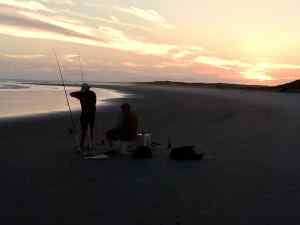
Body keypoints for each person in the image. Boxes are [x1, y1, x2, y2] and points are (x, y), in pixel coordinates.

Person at [70, 83, 96, 151]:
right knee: (84, 130)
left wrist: (85, 99)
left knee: (90, 129)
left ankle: (90, 144)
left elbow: (93, 103)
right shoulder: (81, 93)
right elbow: (71, 94)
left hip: (91, 114)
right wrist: (80, 95)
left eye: (84, 89)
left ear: (88, 88)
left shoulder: (92, 93)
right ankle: (82, 145)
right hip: (84, 114)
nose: (84, 90)